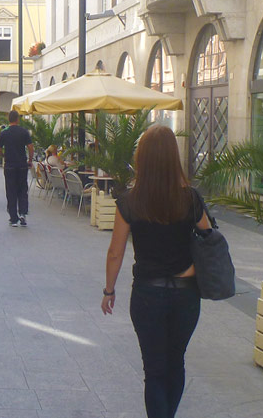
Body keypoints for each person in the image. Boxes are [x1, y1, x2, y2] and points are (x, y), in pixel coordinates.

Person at [101, 126, 211, 418]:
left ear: (142, 159)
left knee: (154, 370)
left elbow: (116, 251)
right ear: (173, 158)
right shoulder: (190, 198)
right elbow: (209, 235)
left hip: (148, 293)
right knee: (176, 363)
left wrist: (109, 290)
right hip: (186, 294)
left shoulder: (130, 200)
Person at [0, 110, 34, 227]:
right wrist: (30, 160)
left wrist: (4, 155)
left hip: (10, 165)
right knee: (23, 189)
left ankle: (13, 218)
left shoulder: (4, 132)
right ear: (18, 119)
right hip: (22, 165)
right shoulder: (24, 132)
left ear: (9, 119)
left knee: (11, 190)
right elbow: (30, 147)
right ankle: (22, 213)